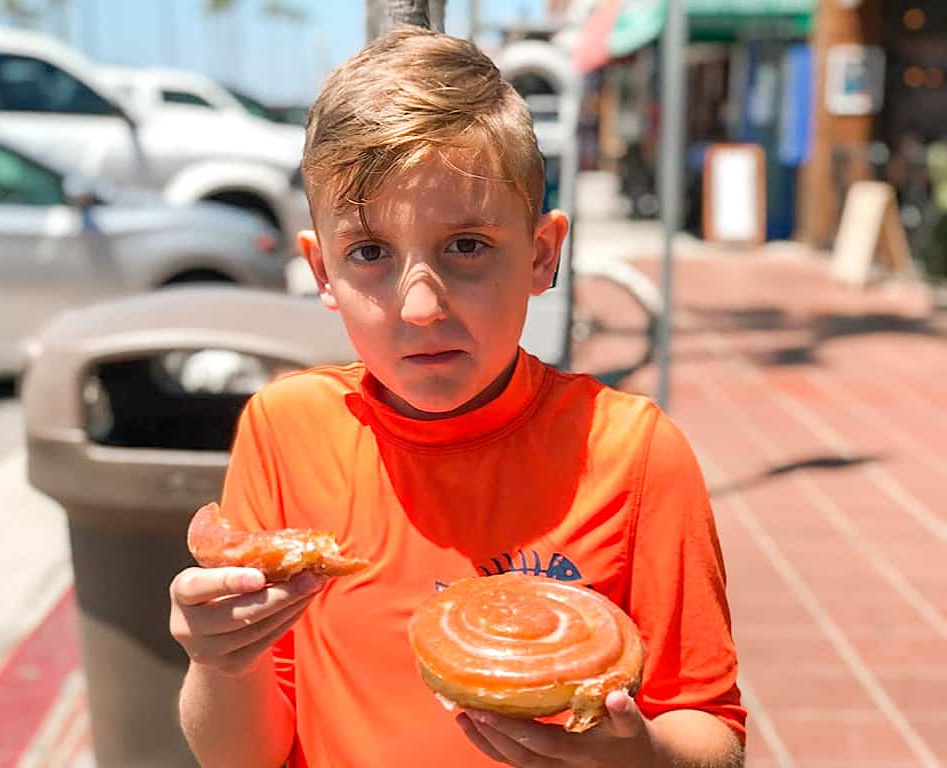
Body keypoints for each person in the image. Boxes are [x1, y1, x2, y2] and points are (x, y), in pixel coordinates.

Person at [168, 27, 746, 768]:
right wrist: (221, 661)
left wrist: (640, 758)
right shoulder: (287, 429)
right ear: (321, 270)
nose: (418, 307)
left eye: (466, 246)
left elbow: (712, 731)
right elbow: (240, 755)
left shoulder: (633, 454)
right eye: (370, 253)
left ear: (541, 254)